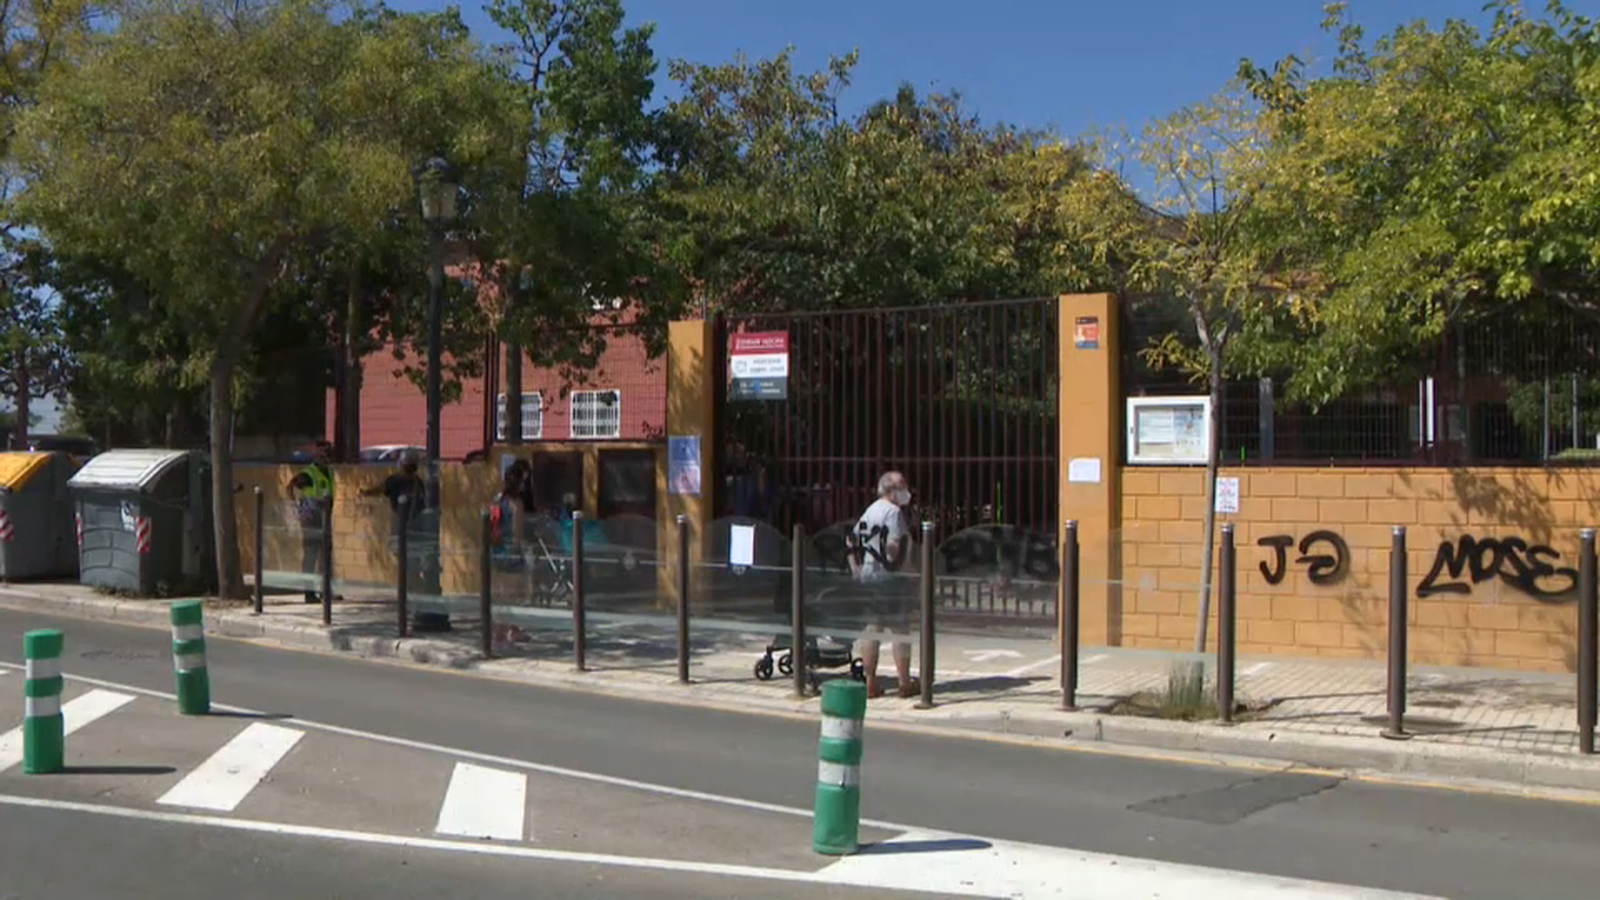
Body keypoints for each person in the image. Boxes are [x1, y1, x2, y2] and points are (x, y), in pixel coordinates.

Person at [849, 470, 917, 699]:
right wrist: (902, 566)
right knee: (900, 630)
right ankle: (904, 683)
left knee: (872, 629)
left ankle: (871, 683)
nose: (906, 490)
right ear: (891, 489)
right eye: (902, 485)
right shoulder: (893, 512)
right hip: (891, 577)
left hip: (869, 575)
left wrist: (855, 568)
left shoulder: (871, 510)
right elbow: (894, 545)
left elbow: (851, 538)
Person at [361, 451, 427, 576]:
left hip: (402, 521)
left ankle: (410, 577)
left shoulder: (397, 480)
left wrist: (366, 492)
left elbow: (381, 489)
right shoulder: (418, 482)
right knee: (409, 552)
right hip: (416, 522)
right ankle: (412, 576)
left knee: (400, 550)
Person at [287, 441, 335, 605]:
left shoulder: (328, 472)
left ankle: (326, 590)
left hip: (324, 519)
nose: (327, 457)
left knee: (326, 556)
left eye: (328, 454)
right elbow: (291, 486)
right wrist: (298, 510)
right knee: (311, 556)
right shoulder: (309, 473)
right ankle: (309, 592)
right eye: (324, 454)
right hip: (312, 520)